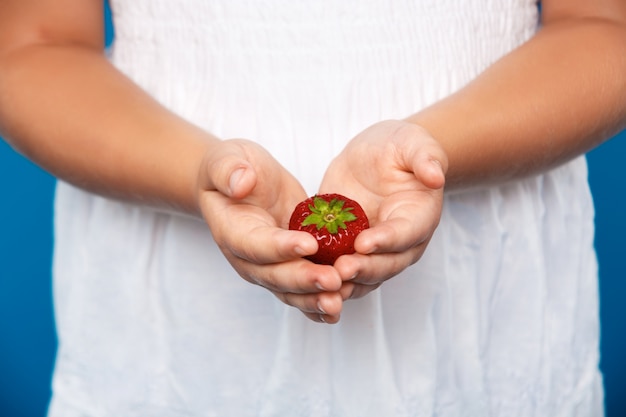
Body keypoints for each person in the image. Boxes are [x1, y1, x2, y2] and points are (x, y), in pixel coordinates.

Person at [1, 0, 625, 415]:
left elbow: (605, 27)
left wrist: (434, 151)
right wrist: (199, 175)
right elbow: (29, 46)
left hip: (482, 288)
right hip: (177, 301)